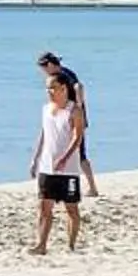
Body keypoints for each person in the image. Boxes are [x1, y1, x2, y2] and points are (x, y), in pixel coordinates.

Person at [31, 73, 85, 254]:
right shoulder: (46, 109)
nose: (49, 91)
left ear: (63, 88)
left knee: (71, 210)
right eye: (48, 88)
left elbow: (78, 138)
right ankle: (41, 245)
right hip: (47, 167)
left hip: (68, 169)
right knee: (44, 207)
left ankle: (71, 244)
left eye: (53, 87)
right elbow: (44, 134)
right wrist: (35, 158)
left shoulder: (74, 111)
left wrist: (64, 158)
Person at [37, 52, 101, 199]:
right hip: (61, 118)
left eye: (44, 68)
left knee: (80, 153)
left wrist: (79, 107)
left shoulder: (64, 74)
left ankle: (92, 187)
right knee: (66, 149)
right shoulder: (58, 76)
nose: (44, 72)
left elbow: (79, 87)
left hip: (73, 119)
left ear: (51, 64)